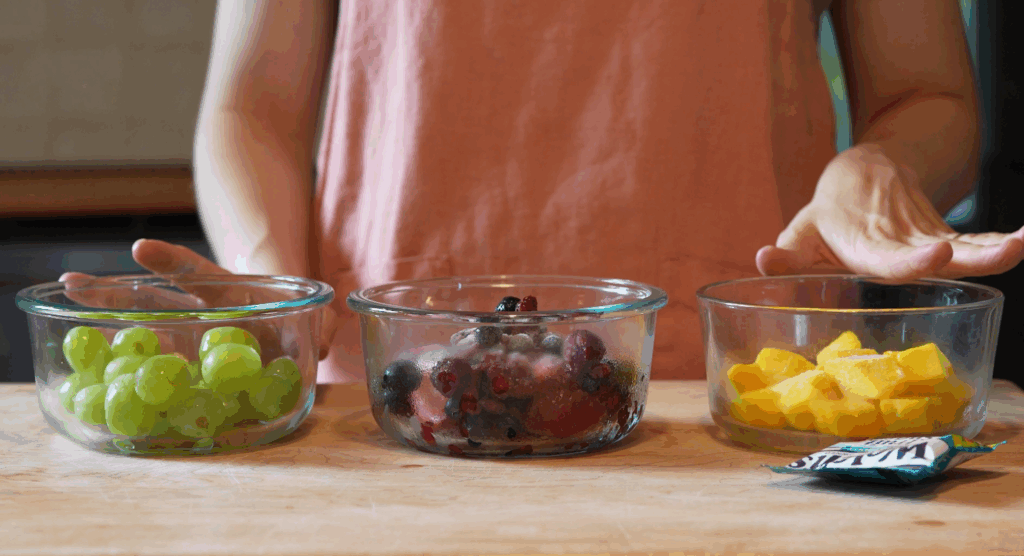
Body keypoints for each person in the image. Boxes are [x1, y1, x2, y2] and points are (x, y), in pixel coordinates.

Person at [64, 0, 1024, 383]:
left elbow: (927, 96)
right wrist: (281, 292)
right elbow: (253, 111)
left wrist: (878, 168)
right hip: (391, 390)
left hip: (737, 394)